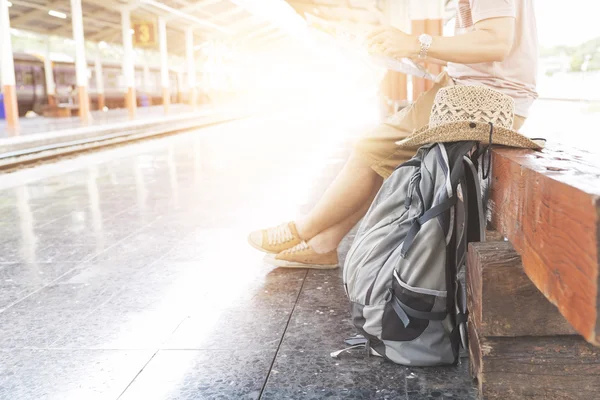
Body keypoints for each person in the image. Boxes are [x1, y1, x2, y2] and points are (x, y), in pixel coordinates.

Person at [248, 0, 538, 269]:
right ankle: (324, 244)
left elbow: (496, 41)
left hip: (486, 101)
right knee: (378, 153)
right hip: (469, 90)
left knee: (371, 148)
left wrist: (417, 44)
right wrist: (424, 54)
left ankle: (303, 230)